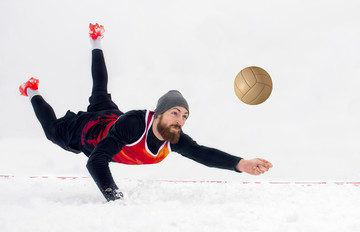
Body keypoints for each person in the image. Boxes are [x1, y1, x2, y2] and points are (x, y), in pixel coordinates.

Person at [19, 24, 273, 201]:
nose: (180, 120)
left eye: (185, 116)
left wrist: (241, 164)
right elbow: (96, 161)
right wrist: (115, 198)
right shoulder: (134, 124)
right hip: (86, 132)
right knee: (52, 132)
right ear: (158, 113)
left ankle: (95, 39)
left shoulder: (173, 139)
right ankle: (31, 91)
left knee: (99, 92)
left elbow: (201, 153)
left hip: (110, 116)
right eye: (175, 112)